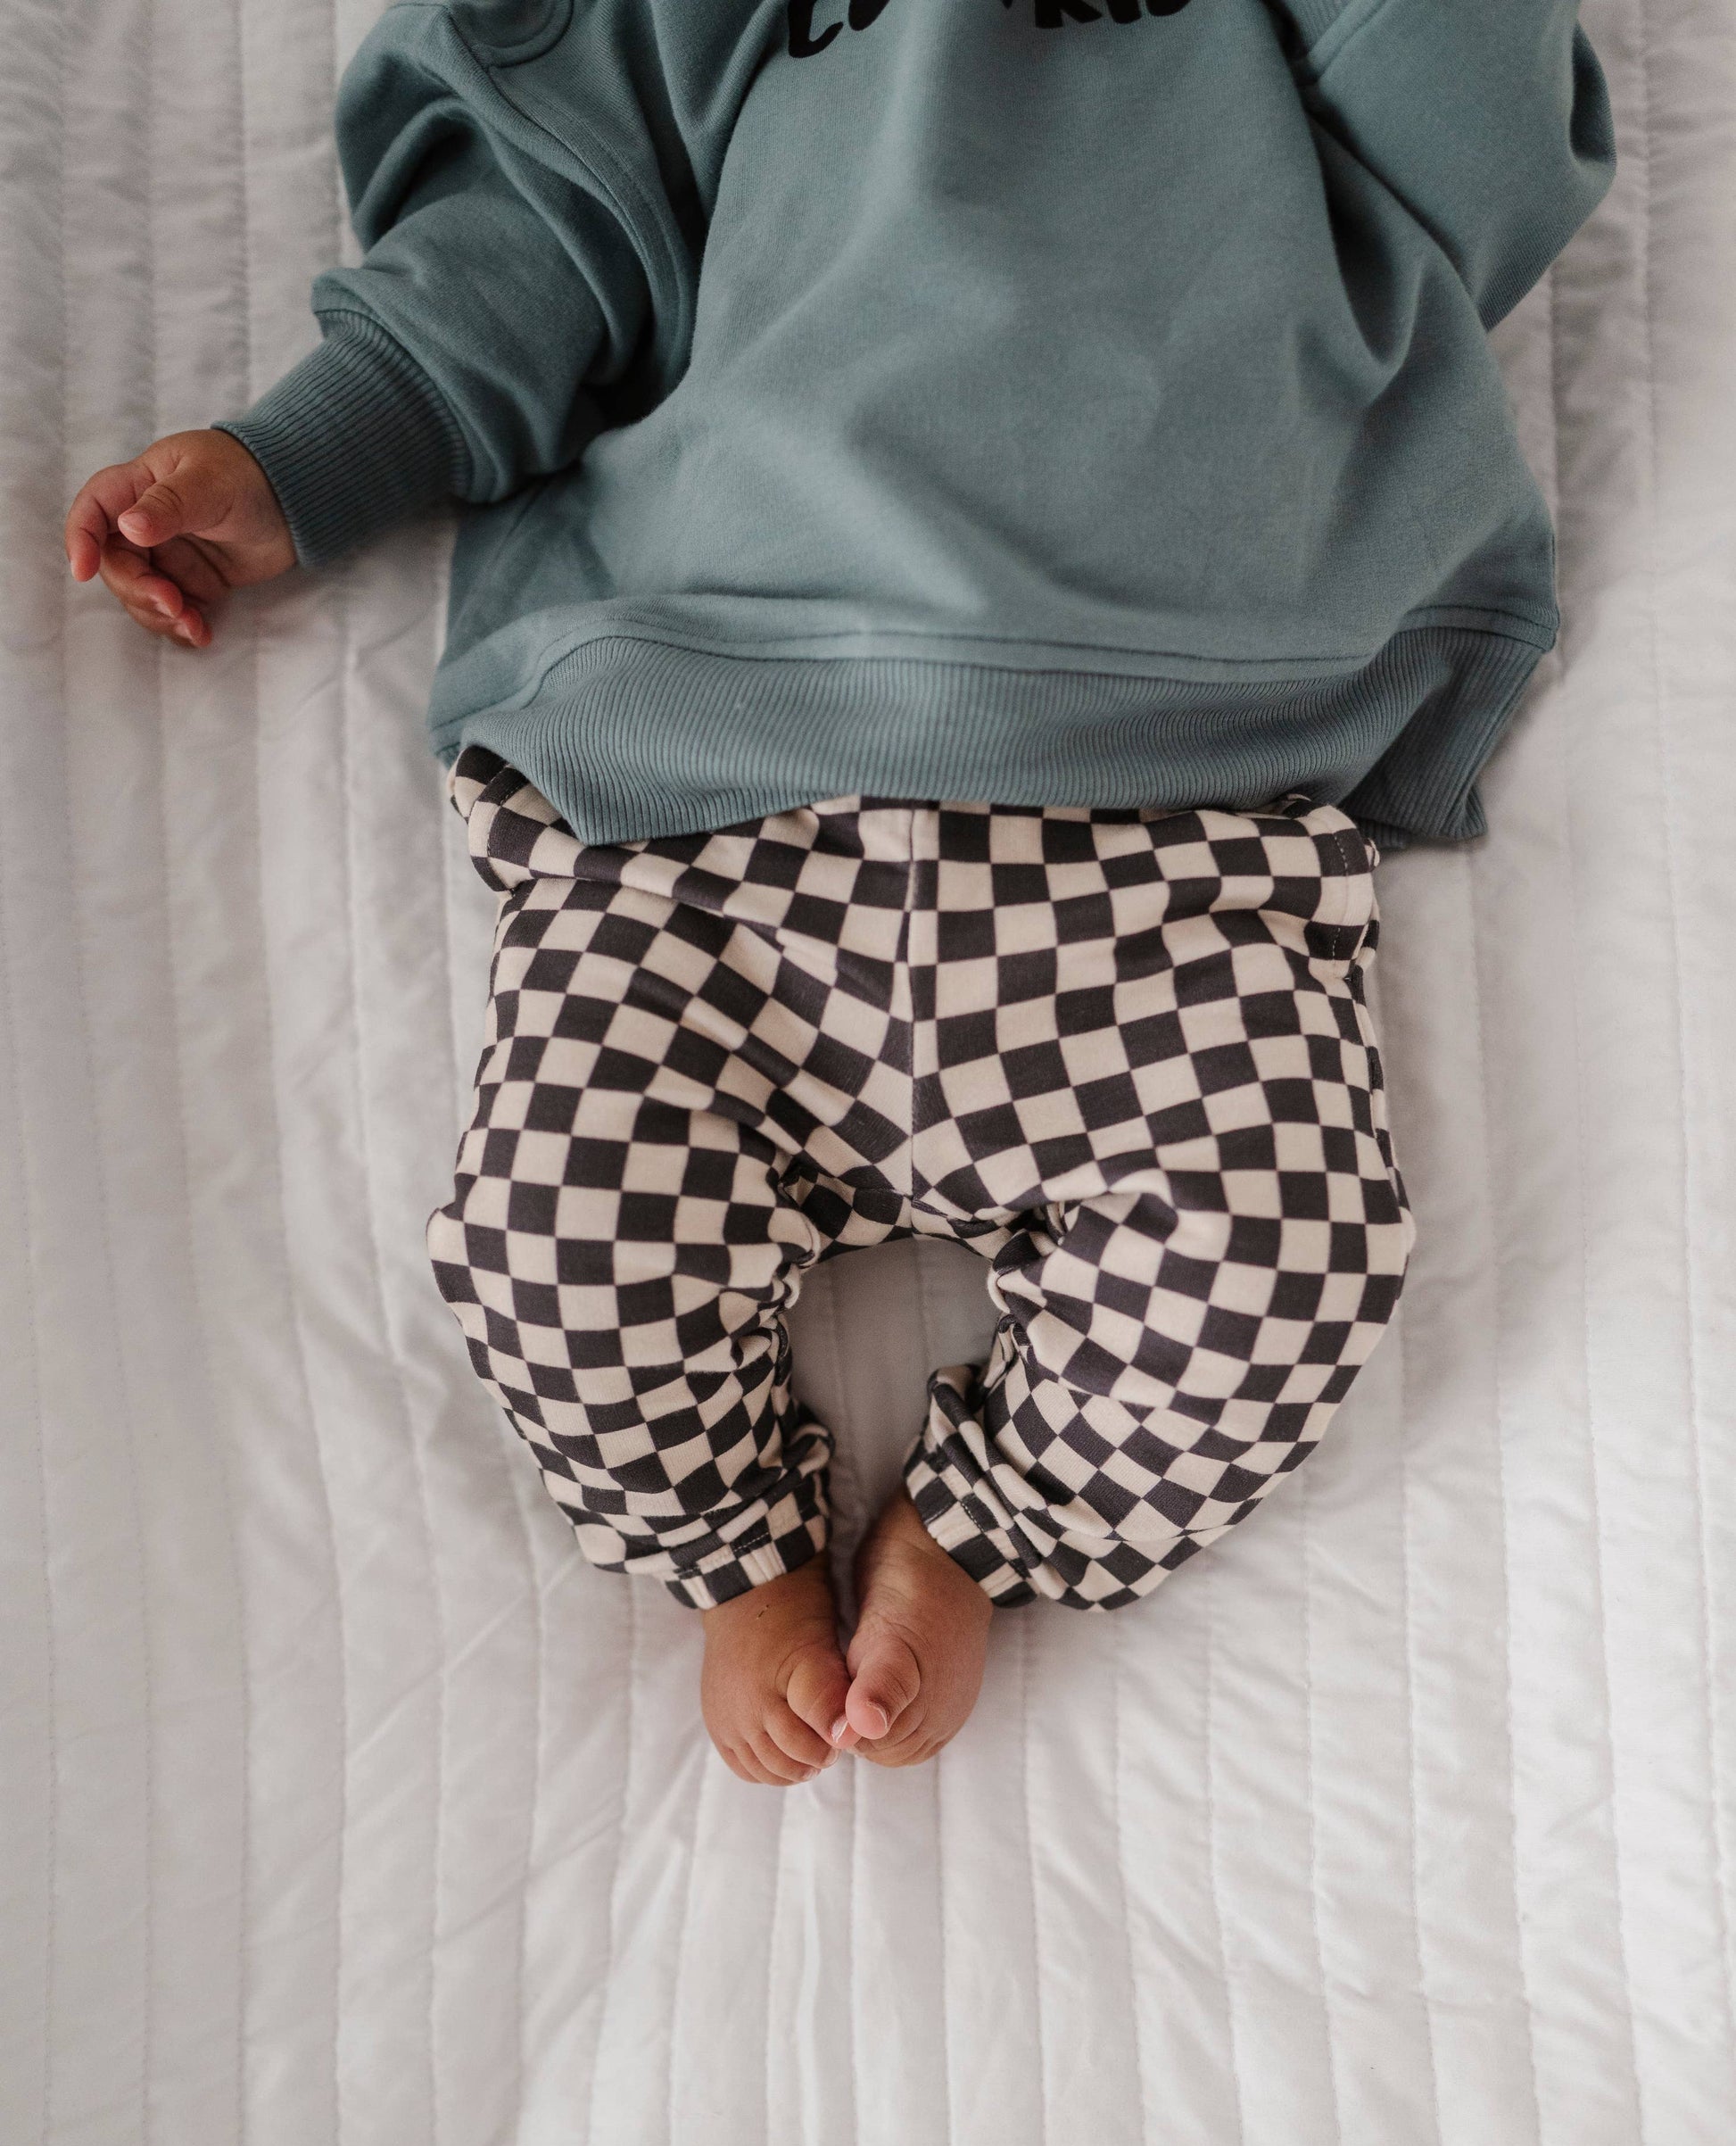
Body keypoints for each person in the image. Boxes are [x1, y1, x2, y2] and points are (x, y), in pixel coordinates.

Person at [62, 0, 1616, 1786]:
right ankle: (734, 1554)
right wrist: (297, 457)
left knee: (1282, 1257)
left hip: (1174, 799)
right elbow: (546, 231)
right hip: (716, 796)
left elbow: (1477, 152)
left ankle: (982, 1532)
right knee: (555, 1246)